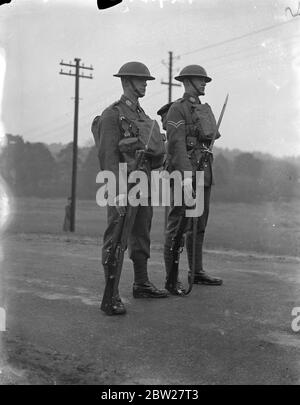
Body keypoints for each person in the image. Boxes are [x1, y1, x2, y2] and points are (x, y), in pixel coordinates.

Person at [92, 61, 168, 316]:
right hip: (123, 182)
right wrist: (116, 191)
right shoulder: (112, 115)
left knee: (141, 232)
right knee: (117, 237)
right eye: (140, 80)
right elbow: (107, 156)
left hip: (144, 180)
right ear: (126, 82)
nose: (145, 83)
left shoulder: (142, 116)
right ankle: (111, 295)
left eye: (145, 80)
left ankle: (141, 283)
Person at [160, 64, 223, 295]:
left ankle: (196, 271)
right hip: (183, 174)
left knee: (199, 224)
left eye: (205, 80)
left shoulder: (204, 109)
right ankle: (171, 278)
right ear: (187, 81)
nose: (205, 83)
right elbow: (175, 145)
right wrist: (186, 178)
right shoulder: (178, 109)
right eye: (201, 79)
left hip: (203, 172)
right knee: (178, 224)